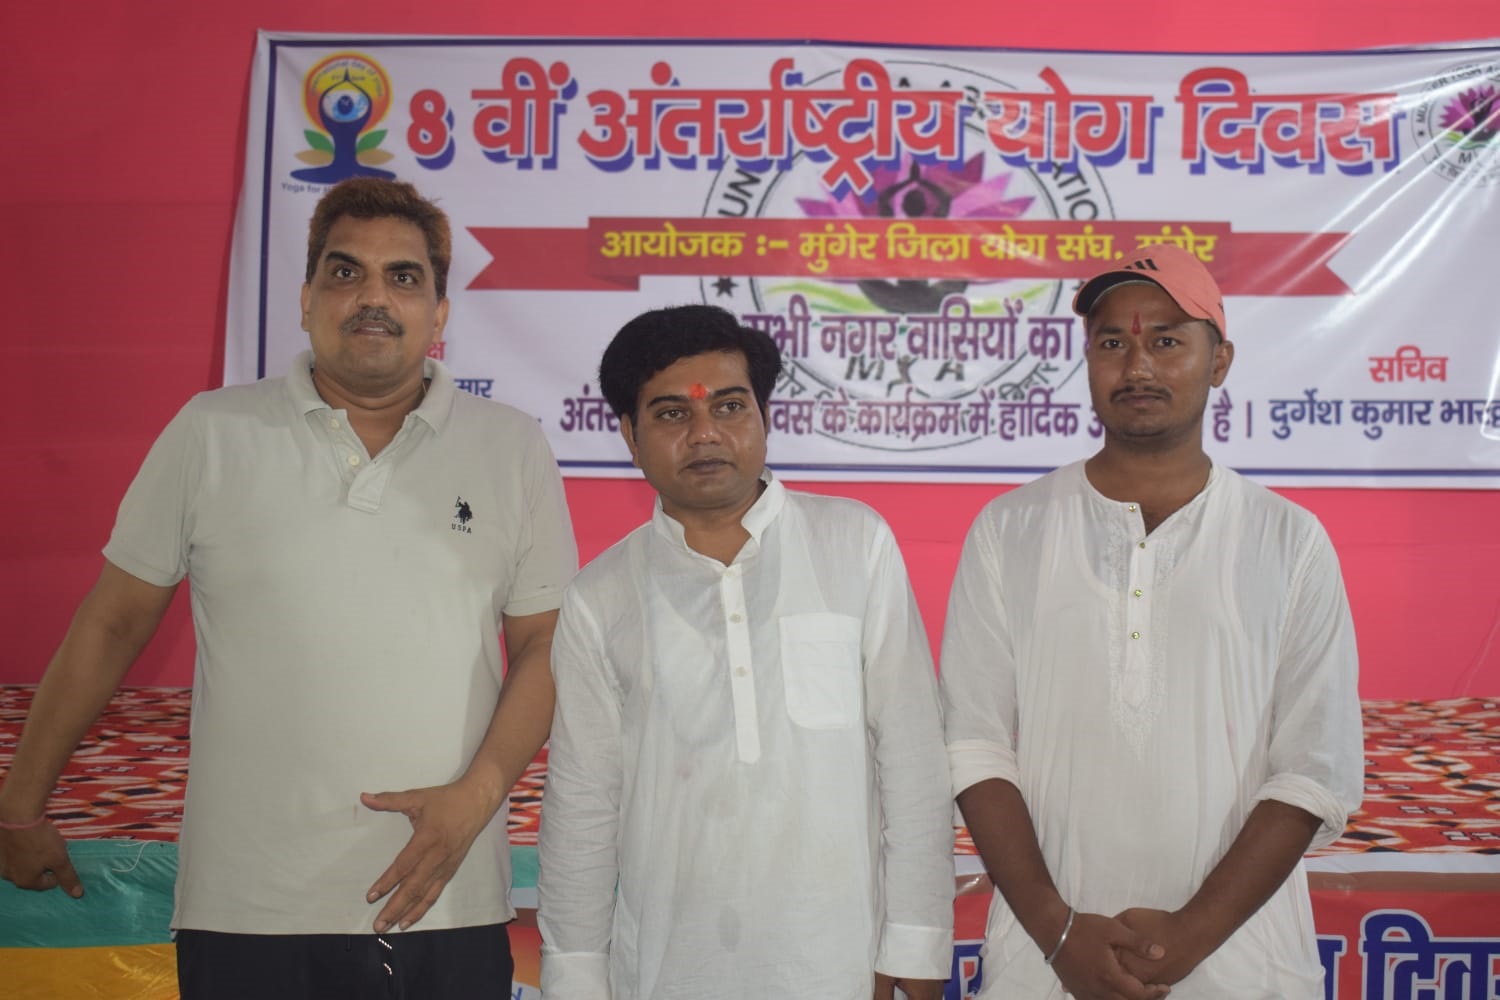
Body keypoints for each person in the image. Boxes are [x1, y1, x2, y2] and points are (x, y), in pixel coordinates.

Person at [0, 178, 577, 999]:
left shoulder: (511, 447)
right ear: (306, 300)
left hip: (443, 894)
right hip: (247, 904)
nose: (373, 297)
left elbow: (546, 644)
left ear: (440, 313)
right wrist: (19, 806)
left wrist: (477, 797)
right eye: (345, 273)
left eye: (403, 278)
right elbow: (113, 624)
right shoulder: (212, 431)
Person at [939, 244, 1363, 999]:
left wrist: (1189, 937)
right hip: (1045, 965)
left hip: (1243, 967)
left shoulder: (1288, 540)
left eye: (1167, 341)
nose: (1137, 366)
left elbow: (1314, 768)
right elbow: (972, 747)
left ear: (1220, 361)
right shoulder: (1010, 530)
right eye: (1112, 343)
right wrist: (1059, 933)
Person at [537, 304, 954, 999]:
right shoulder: (598, 598)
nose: (705, 433)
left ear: (764, 417)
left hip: (839, 965)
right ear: (629, 436)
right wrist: (575, 978)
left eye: (730, 407)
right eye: (672, 414)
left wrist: (914, 944)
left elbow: (912, 760)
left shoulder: (855, 544)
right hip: (668, 971)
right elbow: (582, 806)